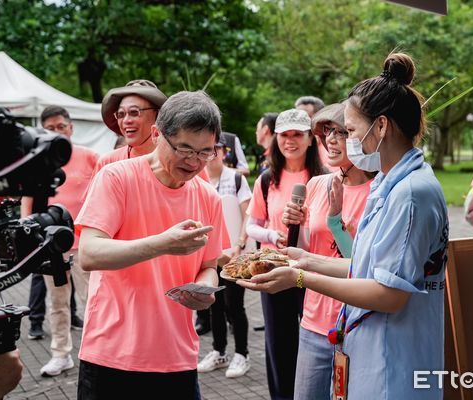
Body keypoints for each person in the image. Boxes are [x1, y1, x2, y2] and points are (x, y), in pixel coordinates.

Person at [241, 53, 449, 399]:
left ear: (381, 126)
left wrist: (300, 278)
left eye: (350, 130)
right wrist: (303, 260)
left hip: (393, 362)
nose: (346, 141)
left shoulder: (410, 194)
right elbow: (367, 267)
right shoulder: (392, 183)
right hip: (373, 349)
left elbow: (389, 294)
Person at [75, 91, 229, 400]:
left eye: (205, 152)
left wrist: (204, 289)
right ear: (158, 134)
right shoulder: (117, 178)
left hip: (176, 355)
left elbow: (210, 265)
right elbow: (89, 254)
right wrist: (162, 244)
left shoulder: (207, 195)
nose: (194, 161)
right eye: (184, 148)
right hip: (113, 352)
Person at [281, 102, 374, 399]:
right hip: (313, 322)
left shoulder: (380, 192)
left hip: (358, 323)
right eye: (327, 133)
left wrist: (337, 224)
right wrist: (295, 227)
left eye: (342, 132)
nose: (331, 140)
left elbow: (362, 266)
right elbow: (309, 252)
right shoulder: (318, 184)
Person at [245, 108, 324, 400]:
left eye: (297, 135)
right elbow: (251, 226)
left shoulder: (323, 178)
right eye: (284, 135)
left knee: (314, 339)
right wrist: (271, 235)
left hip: (313, 270)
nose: (290, 141)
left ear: (310, 139)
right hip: (274, 269)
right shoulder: (267, 179)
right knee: (278, 343)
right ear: (276, 138)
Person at [22, 106, 98, 376]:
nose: (57, 132)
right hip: (48, 246)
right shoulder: (37, 161)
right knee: (57, 302)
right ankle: (61, 354)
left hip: (83, 244)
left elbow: (104, 193)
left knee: (92, 300)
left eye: (61, 126)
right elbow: (27, 200)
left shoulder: (90, 157)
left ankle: (95, 353)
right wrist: (27, 234)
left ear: (70, 127)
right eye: (50, 128)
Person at [198, 135, 253, 378]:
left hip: (235, 256)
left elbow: (248, 214)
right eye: (208, 150)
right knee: (214, 305)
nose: (212, 154)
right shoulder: (198, 180)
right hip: (211, 256)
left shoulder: (236, 178)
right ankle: (219, 351)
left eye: (216, 149)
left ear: (224, 151)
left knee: (235, 306)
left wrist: (240, 246)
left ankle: (242, 354)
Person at [295, 96, 334, 169]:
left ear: (321, 119)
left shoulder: (332, 147)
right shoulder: (289, 147)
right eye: (296, 117)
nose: (299, 121)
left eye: (305, 117)